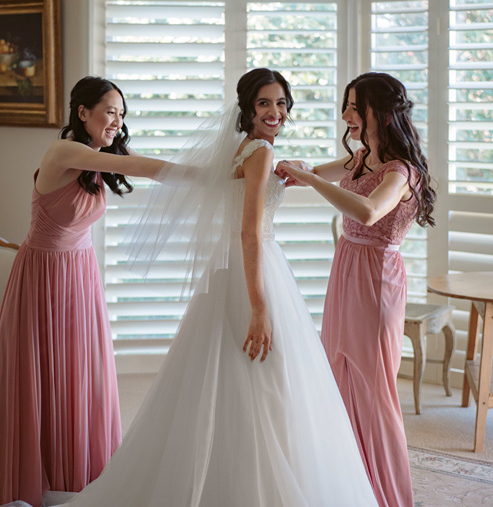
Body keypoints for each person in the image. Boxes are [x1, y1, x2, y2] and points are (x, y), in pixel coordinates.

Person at [37, 68, 377, 507]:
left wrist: (337, 160)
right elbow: (250, 233)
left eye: (281, 103)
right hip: (255, 270)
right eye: (264, 104)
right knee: (265, 380)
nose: (275, 112)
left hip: (233, 271)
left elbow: (339, 168)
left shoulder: (248, 150)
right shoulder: (259, 154)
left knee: (233, 379)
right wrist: (259, 307)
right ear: (247, 109)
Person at [0, 76, 169, 507]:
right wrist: (214, 173)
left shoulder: (97, 158)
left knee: (79, 374)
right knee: (38, 376)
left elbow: (129, 166)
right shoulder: (65, 151)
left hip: (80, 273)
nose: (117, 121)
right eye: (110, 111)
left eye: (122, 113)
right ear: (83, 112)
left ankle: (76, 480)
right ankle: (28, 480)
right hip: (43, 273)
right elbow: (142, 167)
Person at [276, 71, 436, 507]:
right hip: (346, 269)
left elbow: (367, 212)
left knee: (374, 386)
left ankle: (389, 493)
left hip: (377, 278)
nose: (345, 114)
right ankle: (348, 483)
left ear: (378, 114)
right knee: (338, 374)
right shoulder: (361, 157)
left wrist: (310, 180)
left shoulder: (400, 171)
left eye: (353, 106)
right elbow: (315, 170)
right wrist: (292, 169)